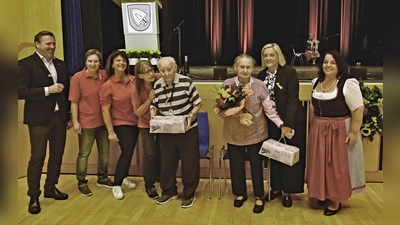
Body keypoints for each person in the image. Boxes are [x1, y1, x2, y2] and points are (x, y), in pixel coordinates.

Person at [220, 54, 290, 214]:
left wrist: (281, 125)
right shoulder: (227, 84)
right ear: (235, 68)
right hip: (234, 133)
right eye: (242, 67)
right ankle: (240, 194)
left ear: (253, 68)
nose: (245, 70)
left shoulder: (259, 85)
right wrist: (235, 113)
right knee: (236, 165)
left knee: (257, 166)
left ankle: (259, 196)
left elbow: (269, 110)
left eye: (248, 67)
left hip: (256, 133)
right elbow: (222, 109)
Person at [18, 30, 72, 214]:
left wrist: (69, 116)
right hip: (38, 120)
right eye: (48, 43)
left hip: (59, 118)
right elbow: (19, 91)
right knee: (38, 157)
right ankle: (34, 195)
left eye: (53, 43)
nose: (51, 47)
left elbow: (65, 93)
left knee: (57, 155)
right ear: (37, 44)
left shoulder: (61, 64)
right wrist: (48, 90)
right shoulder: (25, 64)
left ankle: (51, 188)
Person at [306, 50, 366, 216]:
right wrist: (313, 127)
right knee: (320, 164)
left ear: (339, 65)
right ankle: (322, 194)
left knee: (336, 166)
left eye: (332, 62)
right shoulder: (316, 82)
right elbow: (313, 108)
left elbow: (358, 109)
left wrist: (353, 133)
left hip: (339, 129)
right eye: (325, 62)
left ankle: (336, 200)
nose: (328, 65)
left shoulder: (347, 83)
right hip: (319, 129)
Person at [257, 43, 306, 208]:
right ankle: (276, 188)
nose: (268, 58)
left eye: (272, 55)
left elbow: (293, 100)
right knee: (274, 156)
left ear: (279, 56)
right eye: (266, 55)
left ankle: (288, 191)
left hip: (291, 122)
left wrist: (287, 125)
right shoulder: (261, 74)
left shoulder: (289, 72)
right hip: (272, 123)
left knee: (289, 156)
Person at [149, 56, 202, 209]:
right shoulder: (158, 85)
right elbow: (154, 104)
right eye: (162, 70)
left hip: (187, 130)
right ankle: (169, 191)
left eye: (169, 69)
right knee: (167, 163)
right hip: (166, 131)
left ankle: (189, 194)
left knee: (189, 164)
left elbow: (198, 103)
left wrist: (191, 115)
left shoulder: (186, 82)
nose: (166, 73)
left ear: (175, 68)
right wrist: (153, 113)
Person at [69, 49, 113, 197]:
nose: (93, 64)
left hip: (103, 122)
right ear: (85, 62)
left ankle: (103, 177)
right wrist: (75, 121)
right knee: (84, 154)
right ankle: (81, 182)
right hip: (86, 122)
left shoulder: (104, 75)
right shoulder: (77, 78)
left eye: (95, 61)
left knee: (105, 152)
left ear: (99, 62)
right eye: (90, 61)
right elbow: (74, 102)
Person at [99, 50, 139, 200]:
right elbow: (105, 111)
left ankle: (123, 177)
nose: (121, 63)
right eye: (118, 61)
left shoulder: (133, 80)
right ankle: (116, 184)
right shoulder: (107, 85)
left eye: (124, 61)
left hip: (135, 122)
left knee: (128, 152)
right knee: (127, 151)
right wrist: (111, 131)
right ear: (112, 64)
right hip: (120, 123)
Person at [131, 60, 162, 200]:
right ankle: (149, 185)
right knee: (149, 154)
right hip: (145, 124)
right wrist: (149, 100)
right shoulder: (136, 90)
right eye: (147, 72)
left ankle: (160, 176)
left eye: (152, 70)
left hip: (163, 123)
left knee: (162, 151)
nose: (151, 74)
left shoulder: (160, 79)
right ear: (140, 76)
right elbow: (138, 112)